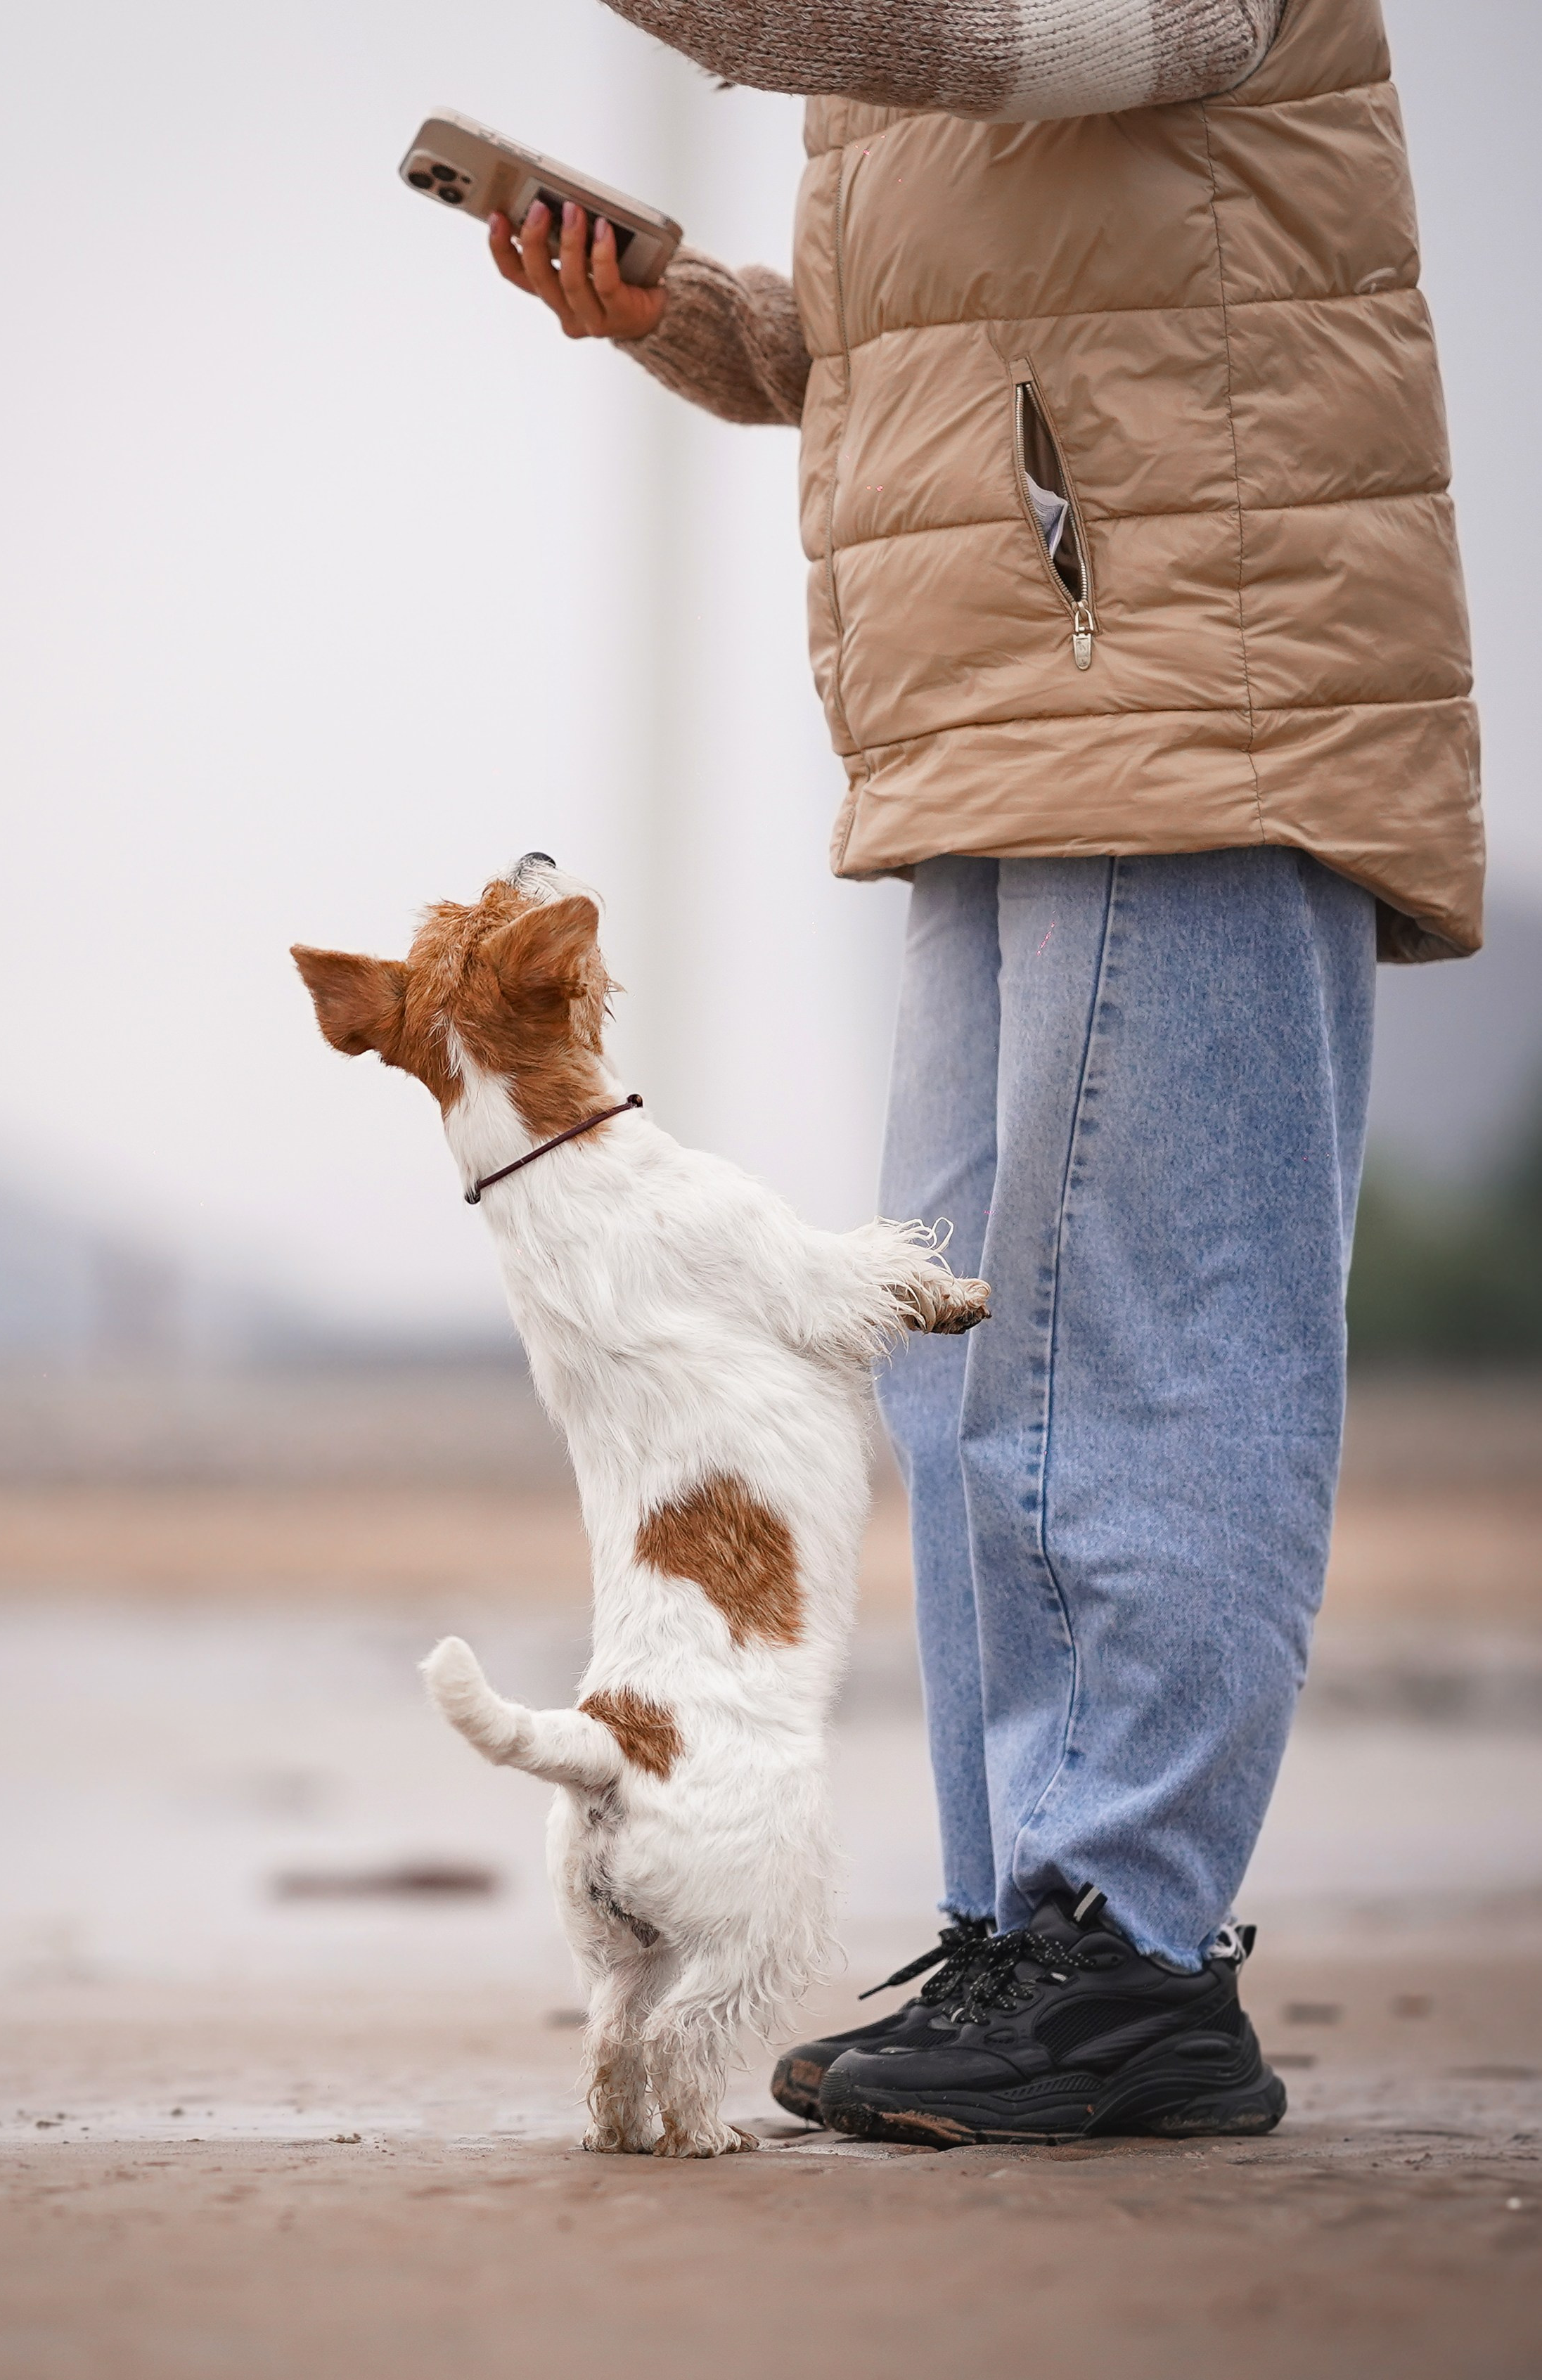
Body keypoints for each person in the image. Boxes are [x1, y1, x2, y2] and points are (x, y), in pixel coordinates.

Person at [485, 0, 1483, 2145]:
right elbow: (880, 345)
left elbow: (983, 48)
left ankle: (1121, 1947)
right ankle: (1031, 1938)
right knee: (956, 1365)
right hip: (1000, 714)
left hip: (1195, 684)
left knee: (1138, 1346)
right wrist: (674, 312)